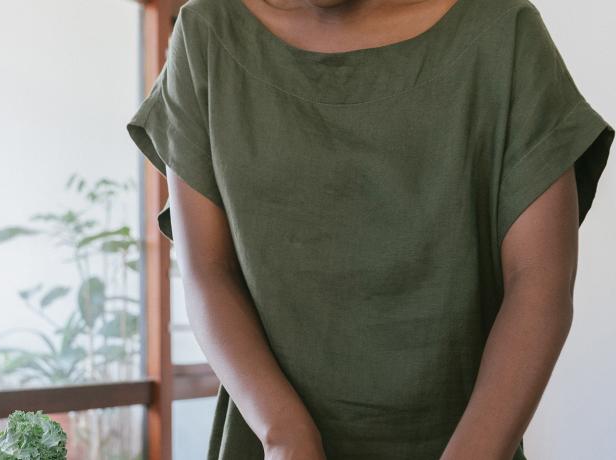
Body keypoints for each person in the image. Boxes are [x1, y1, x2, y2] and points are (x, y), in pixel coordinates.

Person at [126, 0, 614, 458]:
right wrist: (286, 436)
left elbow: (539, 283)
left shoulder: (503, 31)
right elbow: (208, 271)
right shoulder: (208, 32)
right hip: (267, 440)